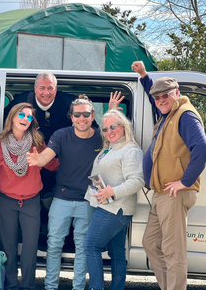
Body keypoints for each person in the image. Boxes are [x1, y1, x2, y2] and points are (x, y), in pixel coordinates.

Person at [132, 61, 206, 290]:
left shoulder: (185, 115)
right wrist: (144, 76)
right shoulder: (168, 112)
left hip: (174, 194)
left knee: (173, 252)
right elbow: (153, 95)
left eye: (165, 96)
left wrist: (185, 181)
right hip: (161, 193)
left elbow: (202, 148)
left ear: (177, 93)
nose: (160, 100)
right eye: (157, 98)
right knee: (150, 243)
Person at [26, 95, 103, 290]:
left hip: (87, 201)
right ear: (71, 117)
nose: (82, 118)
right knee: (53, 246)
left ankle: (78, 287)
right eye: (77, 114)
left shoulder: (101, 137)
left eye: (86, 114)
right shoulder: (61, 135)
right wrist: (38, 160)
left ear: (93, 116)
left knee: (82, 249)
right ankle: (50, 287)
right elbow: (46, 157)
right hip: (61, 199)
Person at [0, 102, 59, 290]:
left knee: (29, 248)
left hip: (31, 202)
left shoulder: (37, 143)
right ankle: (10, 285)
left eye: (29, 117)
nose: (25, 119)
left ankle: (27, 286)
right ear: (12, 117)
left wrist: (47, 158)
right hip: (5, 201)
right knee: (8, 247)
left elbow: (52, 165)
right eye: (21, 115)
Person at [83, 109, 144, 290]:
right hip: (109, 206)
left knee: (91, 246)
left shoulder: (130, 150)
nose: (109, 131)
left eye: (113, 126)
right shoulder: (112, 147)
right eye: (105, 129)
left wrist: (113, 192)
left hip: (115, 208)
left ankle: (96, 287)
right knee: (117, 253)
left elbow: (137, 180)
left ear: (124, 127)